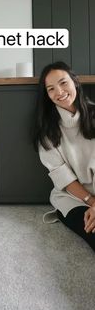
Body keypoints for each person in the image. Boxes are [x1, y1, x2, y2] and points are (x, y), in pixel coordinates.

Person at [33, 61, 95, 251]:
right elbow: (63, 177)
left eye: (63, 83)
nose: (59, 92)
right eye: (51, 89)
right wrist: (92, 203)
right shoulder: (48, 131)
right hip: (74, 198)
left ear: (75, 82)